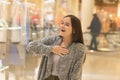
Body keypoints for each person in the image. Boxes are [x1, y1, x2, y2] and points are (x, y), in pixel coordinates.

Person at [26, 15, 85, 80]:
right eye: (62, 23)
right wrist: (51, 49)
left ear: (74, 30)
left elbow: (76, 74)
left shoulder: (79, 48)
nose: (62, 26)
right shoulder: (53, 40)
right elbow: (30, 46)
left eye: (67, 25)